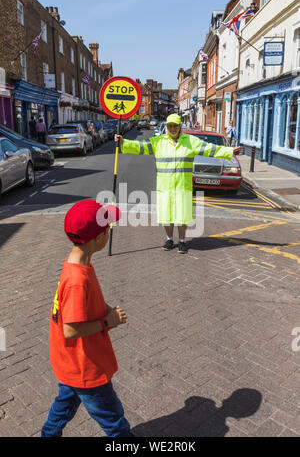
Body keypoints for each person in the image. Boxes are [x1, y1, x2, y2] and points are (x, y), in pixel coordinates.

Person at [41, 200, 134, 437]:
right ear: (97, 238)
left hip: (71, 362)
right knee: (114, 420)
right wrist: (108, 322)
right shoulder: (77, 280)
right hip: (85, 366)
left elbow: (86, 303)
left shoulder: (80, 264)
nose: (109, 232)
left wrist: (106, 310)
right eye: (107, 229)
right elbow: (70, 330)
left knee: (63, 408)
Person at [115, 113, 241, 254]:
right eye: (170, 126)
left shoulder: (190, 141)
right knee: (166, 217)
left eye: (175, 125)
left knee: (182, 216)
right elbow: (141, 146)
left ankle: (182, 242)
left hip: (183, 187)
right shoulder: (158, 141)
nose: (173, 128)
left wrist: (229, 151)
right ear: (167, 127)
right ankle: (169, 239)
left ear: (180, 126)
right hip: (165, 187)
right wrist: (123, 142)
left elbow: (210, 149)